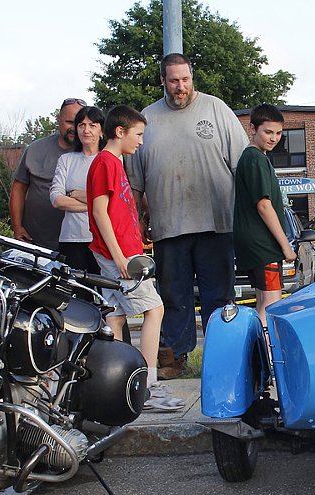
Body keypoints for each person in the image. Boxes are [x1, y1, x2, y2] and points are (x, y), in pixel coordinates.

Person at [124, 53, 249, 379]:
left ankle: (221, 361)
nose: (180, 87)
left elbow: (244, 166)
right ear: (162, 81)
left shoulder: (217, 110)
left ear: (192, 78)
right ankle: (174, 359)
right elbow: (134, 183)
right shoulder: (147, 119)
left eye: (185, 79)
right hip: (168, 228)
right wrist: (137, 222)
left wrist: (248, 216)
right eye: (174, 81)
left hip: (216, 224)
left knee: (219, 298)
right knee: (173, 298)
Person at [87, 106, 183, 411]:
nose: (141, 141)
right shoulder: (106, 162)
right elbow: (100, 211)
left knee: (114, 317)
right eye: (138, 134)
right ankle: (149, 387)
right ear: (120, 131)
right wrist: (120, 257)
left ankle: (119, 388)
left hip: (123, 252)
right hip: (121, 255)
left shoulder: (113, 163)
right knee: (155, 309)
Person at [234, 104, 297, 325]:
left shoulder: (253, 157)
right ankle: (267, 347)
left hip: (254, 243)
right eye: (268, 132)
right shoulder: (256, 159)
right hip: (263, 245)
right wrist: (286, 246)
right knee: (271, 304)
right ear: (252, 128)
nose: (274, 138)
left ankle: (259, 346)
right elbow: (263, 205)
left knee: (263, 302)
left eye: (278, 133)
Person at [10, 97, 86, 251]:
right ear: (58, 119)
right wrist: (17, 227)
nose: (73, 128)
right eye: (69, 122)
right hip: (36, 241)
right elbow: (18, 189)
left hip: (79, 241)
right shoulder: (35, 149)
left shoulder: (94, 154)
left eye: (79, 123)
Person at [50, 105, 105, 274]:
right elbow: (57, 199)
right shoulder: (66, 160)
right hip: (71, 238)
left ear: (101, 131)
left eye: (92, 125)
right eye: (82, 125)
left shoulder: (111, 159)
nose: (86, 130)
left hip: (102, 238)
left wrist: (74, 194)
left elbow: (113, 201)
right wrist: (95, 204)